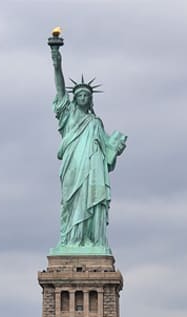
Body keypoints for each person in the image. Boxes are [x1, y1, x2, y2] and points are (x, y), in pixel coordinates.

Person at [50, 43, 127, 253]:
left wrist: (116, 148)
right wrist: (56, 61)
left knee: (90, 202)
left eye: (86, 95)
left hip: (93, 169)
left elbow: (107, 153)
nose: (83, 98)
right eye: (80, 95)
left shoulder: (96, 123)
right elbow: (59, 87)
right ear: (74, 99)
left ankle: (91, 241)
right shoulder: (69, 114)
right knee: (71, 202)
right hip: (73, 165)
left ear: (90, 99)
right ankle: (72, 240)